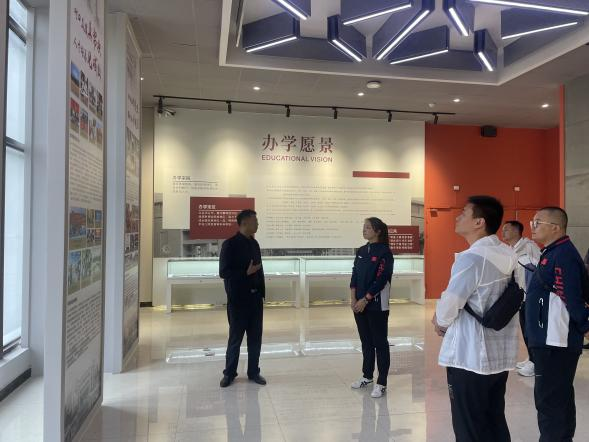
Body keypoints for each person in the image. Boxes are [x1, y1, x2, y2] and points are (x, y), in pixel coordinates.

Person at [432, 196, 518, 442]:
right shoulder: (508, 254)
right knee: (494, 420)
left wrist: (440, 322)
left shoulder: (472, 258)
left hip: (469, 355)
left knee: (468, 426)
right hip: (499, 354)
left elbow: (451, 302)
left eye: (463, 213)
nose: (458, 217)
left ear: (479, 222)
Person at [526, 207, 589, 441]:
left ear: (555, 227)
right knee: (558, 398)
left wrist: (585, 326)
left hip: (555, 341)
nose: (533, 227)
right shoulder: (554, 251)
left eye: (537, 222)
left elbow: (571, 296)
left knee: (550, 401)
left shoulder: (562, 254)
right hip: (548, 339)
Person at [219, 209, 266, 388]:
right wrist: (245, 272)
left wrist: (261, 292)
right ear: (244, 223)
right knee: (235, 339)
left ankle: (254, 372)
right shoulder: (229, 245)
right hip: (238, 301)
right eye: (255, 221)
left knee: (255, 339)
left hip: (255, 300)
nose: (258, 224)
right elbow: (223, 272)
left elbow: (258, 269)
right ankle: (229, 373)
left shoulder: (255, 244)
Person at [349, 217, 394, 399]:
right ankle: (367, 376)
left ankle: (381, 382)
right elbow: (354, 274)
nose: (364, 230)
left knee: (380, 343)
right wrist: (353, 298)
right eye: (364, 227)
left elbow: (382, 279)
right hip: (359, 304)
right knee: (366, 342)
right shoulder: (361, 251)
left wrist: (366, 299)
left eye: (368, 227)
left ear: (378, 231)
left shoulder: (385, 252)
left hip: (376, 305)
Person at [501, 220, 541, 377]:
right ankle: (531, 358)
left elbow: (539, 269)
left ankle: (536, 363)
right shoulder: (510, 249)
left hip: (530, 296)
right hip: (520, 297)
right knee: (525, 329)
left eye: (506, 229)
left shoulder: (529, 247)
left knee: (531, 330)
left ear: (516, 231)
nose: (503, 232)